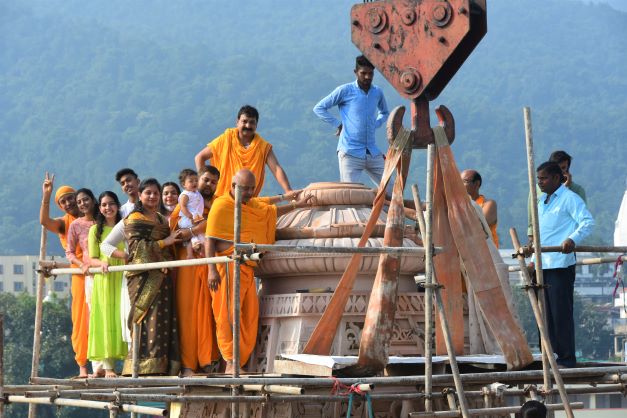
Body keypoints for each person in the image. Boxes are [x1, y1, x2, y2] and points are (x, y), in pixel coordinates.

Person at [205, 169, 313, 373]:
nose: (249, 193)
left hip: (247, 268)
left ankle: (240, 361)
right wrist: (211, 269)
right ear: (233, 186)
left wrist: (296, 205)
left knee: (249, 316)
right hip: (227, 267)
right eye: (245, 188)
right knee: (228, 315)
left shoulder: (250, 203)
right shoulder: (221, 205)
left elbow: (268, 209)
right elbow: (209, 239)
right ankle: (231, 362)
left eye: (252, 188)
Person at [115, 178, 182, 375]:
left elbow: (169, 249)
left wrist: (166, 257)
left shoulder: (161, 220)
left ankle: (161, 366)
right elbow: (137, 250)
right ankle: (140, 366)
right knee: (144, 318)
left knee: (162, 318)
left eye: (155, 193)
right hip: (142, 277)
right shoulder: (134, 218)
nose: (152, 196)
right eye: (148, 193)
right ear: (140, 195)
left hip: (162, 275)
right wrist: (165, 243)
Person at [532, 161, 594, 368]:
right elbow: (541, 234)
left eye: (544, 178)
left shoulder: (570, 198)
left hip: (559, 263)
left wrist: (572, 239)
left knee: (560, 313)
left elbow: (587, 222)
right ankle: (548, 357)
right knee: (543, 315)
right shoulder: (542, 202)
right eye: (538, 178)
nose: (540, 182)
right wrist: (532, 261)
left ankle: (566, 359)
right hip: (542, 263)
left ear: (556, 178)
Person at [169, 165, 221, 376]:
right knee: (187, 312)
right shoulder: (186, 201)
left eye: (213, 182)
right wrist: (196, 229)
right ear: (197, 180)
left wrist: (203, 227)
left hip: (211, 263)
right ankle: (188, 364)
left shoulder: (218, 204)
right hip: (188, 262)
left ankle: (208, 361)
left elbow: (222, 227)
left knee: (209, 311)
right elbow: (176, 233)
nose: (208, 185)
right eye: (205, 180)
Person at [39, 173, 89, 377]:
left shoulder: (93, 217)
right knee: (81, 319)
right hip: (80, 274)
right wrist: (46, 196)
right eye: (63, 201)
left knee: (102, 315)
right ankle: (83, 365)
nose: (68, 203)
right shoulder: (63, 223)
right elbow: (44, 221)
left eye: (70, 198)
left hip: (99, 269)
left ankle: (103, 366)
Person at [313, 55, 389, 186]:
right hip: (350, 152)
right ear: (355, 72)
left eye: (370, 73)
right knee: (350, 192)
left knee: (391, 190)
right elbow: (319, 108)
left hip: (372, 151)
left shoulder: (377, 92)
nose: (367, 77)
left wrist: (376, 123)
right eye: (363, 73)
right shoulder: (344, 90)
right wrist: (338, 124)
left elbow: (384, 112)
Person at [194, 105, 294, 197]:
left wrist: (288, 190)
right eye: (244, 121)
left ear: (256, 125)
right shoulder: (226, 139)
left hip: (248, 200)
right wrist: (203, 184)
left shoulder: (262, 146)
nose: (248, 126)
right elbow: (200, 157)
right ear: (237, 122)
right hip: (221, 197)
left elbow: (276, 169)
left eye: (252, 122)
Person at [86, 191, 128, 377]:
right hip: (105, 278)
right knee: (106, 318)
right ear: (99, 208)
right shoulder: (95, 230)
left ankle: (126, 363)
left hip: (123, 277)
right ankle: (108, 366)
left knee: (123, 316)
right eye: (104, 205)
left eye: (111, 204)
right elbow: (92, 258)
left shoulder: (125, 226)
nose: (108, 208)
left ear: (117, 206)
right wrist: (102, 263)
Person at [65, 188, 99, 377]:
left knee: (107, 317)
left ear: (93, 200)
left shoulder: (103, 219)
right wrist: (81, 265)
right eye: (79, 202)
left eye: (86, 199)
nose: (83, 204)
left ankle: (106, 365)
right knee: (86, 319)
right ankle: (87, 365)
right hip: (88, 275)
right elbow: (69, 252)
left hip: (108, 272)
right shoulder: (75, 225)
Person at [527, 150, 586, 237]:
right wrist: (531, 234)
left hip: (565, 238)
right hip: (541, 237)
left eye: (563, 168)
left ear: (568, 168)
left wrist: (565, 188)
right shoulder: (536, 189)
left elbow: (581, 220)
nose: (560, 171)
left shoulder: (577, 190)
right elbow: (531, 214)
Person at [461, 169, 499, 247]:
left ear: (477, 184)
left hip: (488, 251)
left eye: (464, 181)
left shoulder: (488, 204)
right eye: (459, 181)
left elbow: (480, 225)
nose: (460, 185)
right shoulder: (459, 205)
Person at [177, 168, 205, 258]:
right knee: (192, 236)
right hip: (188, 218)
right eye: (191, 181)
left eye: (196, 180)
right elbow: (183, 206)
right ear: (183, 184)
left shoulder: (197, 193)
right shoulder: (185, 194)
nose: (194, 183)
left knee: (200, 235)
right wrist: (190, 216)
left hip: (197, 217)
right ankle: (190, 254)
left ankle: (201, 251)